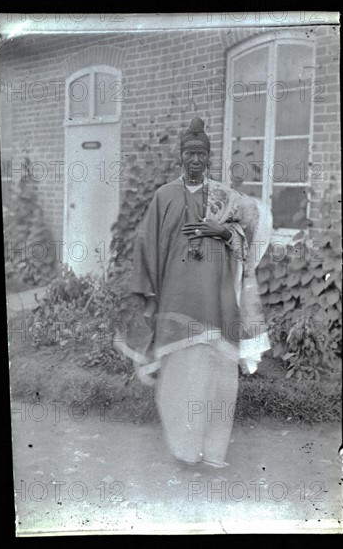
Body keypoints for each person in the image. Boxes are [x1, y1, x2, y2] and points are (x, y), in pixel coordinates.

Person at [115, 117, 272, 468]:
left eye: (202, 153)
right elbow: (146, 249)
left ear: (210, 158)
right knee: (180, 380)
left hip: (217, 304)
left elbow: (248, 244)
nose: (196, 160)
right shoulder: (164, 197)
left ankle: (214, 452)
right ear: (180, 158)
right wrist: (147, 297)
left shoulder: (226, 199)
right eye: (189, 153)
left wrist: (224, 232)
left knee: (218, 380)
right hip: (176, 304)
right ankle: (185, 451)